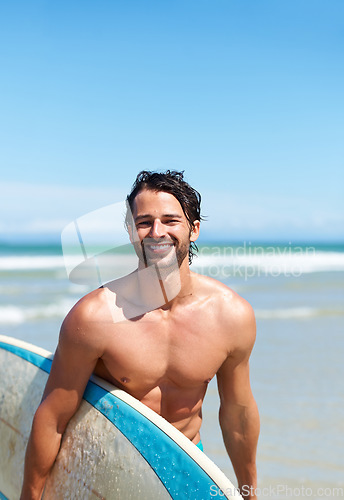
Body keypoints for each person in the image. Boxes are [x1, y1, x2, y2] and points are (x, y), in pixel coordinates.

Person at [21, 170, 260, 499]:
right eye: (144, 221)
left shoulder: (231, 316)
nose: (157, 232)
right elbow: (52, 417)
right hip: (108, 476)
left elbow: (237, 411)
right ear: (131, 231)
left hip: (186, 469)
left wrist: (249, 492)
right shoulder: (93, 318)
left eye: (170, 220)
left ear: (194, 229)